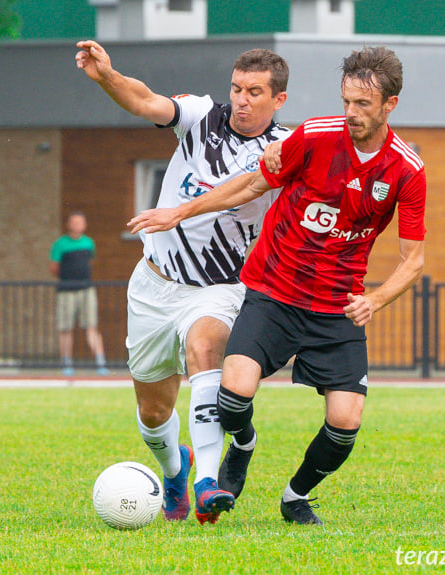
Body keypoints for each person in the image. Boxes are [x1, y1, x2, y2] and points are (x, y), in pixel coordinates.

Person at [129, 46, 426, 525]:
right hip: (272, 292)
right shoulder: (313, 136)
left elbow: (414, 260)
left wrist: (374, 299)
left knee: (347, 421)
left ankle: (295, 496)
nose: (350, 112)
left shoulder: (406, 170)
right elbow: (251, 185)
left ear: (389, 105)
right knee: (233, 393)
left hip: (336, 306)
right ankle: (241, 445)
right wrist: (178, 213)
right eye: (346, 100)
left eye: (363, 105)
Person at [75, 40, 291, 524]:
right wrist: (109, 76)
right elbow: (145, 100)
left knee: (205, 352)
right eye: (236, 88)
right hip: (154, 283)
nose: (241, 99)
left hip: (218, 287)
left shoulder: (284, 150)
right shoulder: (200, 117)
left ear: (277, 100)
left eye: (255, 91)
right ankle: (176, 468)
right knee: (153, 413)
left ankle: (207, 483)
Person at [49, 211, 108, 376]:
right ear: (68, 225)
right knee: (65, 328)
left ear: (85, 225)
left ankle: (100, 361)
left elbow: (90, 262)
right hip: (66, 290)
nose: (77, 226)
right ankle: (66, 362)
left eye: (80, 223)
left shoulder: (89, 243)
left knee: (91, 326)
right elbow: (54, 267)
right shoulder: (60, 244)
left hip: (86, 289)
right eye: (74, 223)